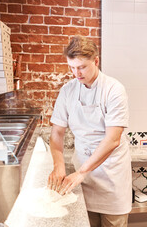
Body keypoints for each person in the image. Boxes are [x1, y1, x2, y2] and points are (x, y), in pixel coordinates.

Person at [48, 35, 132, 227]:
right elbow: (57, 132)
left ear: (96, 61)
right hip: (81, 176)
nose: (76, 73)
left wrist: (81, 172)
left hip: (111, 176)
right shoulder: (68, 90)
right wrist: (58, 165)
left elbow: (112, 140)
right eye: (72, 67)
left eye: (82, 67)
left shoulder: (114, 90)